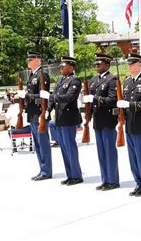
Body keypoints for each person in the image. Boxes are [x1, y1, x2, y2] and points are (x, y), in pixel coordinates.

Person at [116, 53, 141, 197]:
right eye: (129, 64)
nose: (129, 66)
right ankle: (138, 183)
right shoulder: (126, 82)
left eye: (132, 64)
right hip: (129, 125)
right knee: (132, 157)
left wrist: (129, 105)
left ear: (139, 65)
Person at [83, 53, 120, 191]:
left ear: (107, 65)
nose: (96, 66)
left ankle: (113, 180)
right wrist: (88, 116)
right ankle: (105, 179)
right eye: (95, 64)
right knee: (101, 152)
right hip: (97, 120)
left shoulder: (112, 80)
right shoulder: (93, 80)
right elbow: (90, 101)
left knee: (109, 151)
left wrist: (95, 98)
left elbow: (112, 100)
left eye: (99, 64)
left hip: (108, 120)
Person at [15, 51, 52, 181]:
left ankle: (46, 170)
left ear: (37, 60)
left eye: (30, 59)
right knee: (37, 144)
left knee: (43, 143)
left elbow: (44, 96)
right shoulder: (32, 76)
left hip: (39, 113)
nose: (28, 62)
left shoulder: (43, 75)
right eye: (28, 59)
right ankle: (42, 169)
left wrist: (27, 96)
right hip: (32, 113)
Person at [48, 56, 84, 186]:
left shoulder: (75, 80)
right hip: (60, 118)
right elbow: (52, 97)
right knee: (64, 148)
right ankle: (70, 175)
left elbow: (69, 97)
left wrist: (54, 97)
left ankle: (76, 175)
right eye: (61, 66)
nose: (61, 67)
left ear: (71, 67)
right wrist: (48, 109)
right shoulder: (60, 80)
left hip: (69, 118)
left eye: (63, 66)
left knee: (70, 147)